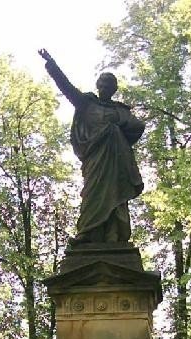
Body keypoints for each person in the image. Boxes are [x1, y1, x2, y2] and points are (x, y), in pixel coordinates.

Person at [38, 49, 145, 244]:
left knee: (116, 195)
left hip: (116, 159)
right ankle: (88, 234)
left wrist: (118, 123)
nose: (104, 87)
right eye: (102, 84)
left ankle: (114, 235)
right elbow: (67, 88)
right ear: (97, 85)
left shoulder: (119, 110)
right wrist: (51, 64)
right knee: (93, 194)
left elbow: (138, 126)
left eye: (109, 85)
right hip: (95, 158)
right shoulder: (87, 103)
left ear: (114, 89)